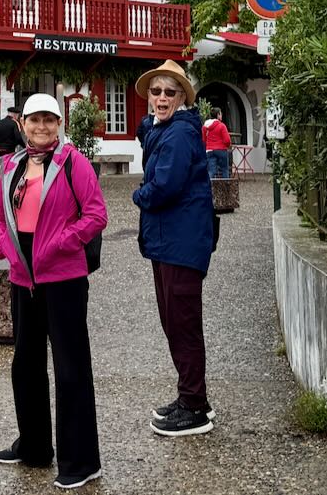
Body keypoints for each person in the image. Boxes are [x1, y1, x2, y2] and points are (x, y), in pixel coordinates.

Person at [0, 93, 107, 490]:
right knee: (25, 364)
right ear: (22, 124)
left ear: (59, 124)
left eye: (49, 120)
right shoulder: (13, 165)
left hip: (63, 279)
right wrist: (5, 247)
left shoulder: (74, 163)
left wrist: (60, 242)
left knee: (71, 367)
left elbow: (96, 215)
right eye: (34, 120)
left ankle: (81, 460)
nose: (41, 127)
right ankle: (35, 445)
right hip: (23, 278)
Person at [132, 60, 216, 437]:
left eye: (170, 92)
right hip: (170, 241)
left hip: (180, 241)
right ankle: (190, 396)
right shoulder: (164, 129)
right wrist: (152, 123)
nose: (161, 98)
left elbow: (165, 185)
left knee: (182, 323)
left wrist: (138, 195)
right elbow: (145, 132)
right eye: (156, 91)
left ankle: (194, 406)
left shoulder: (180, 134)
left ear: (182, 97)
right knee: (175, 321)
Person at [203, 107, 232, 180]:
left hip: (209, 150)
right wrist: (227, 146)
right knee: (224, 170)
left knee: (211, 171)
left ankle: (209, 189)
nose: (221, 115)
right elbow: (227, 140)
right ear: (218, 115)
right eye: (220, 113)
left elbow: (203, 140)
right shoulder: (222, 126)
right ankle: (225, 189)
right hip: (221, 150)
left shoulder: (205, 126)